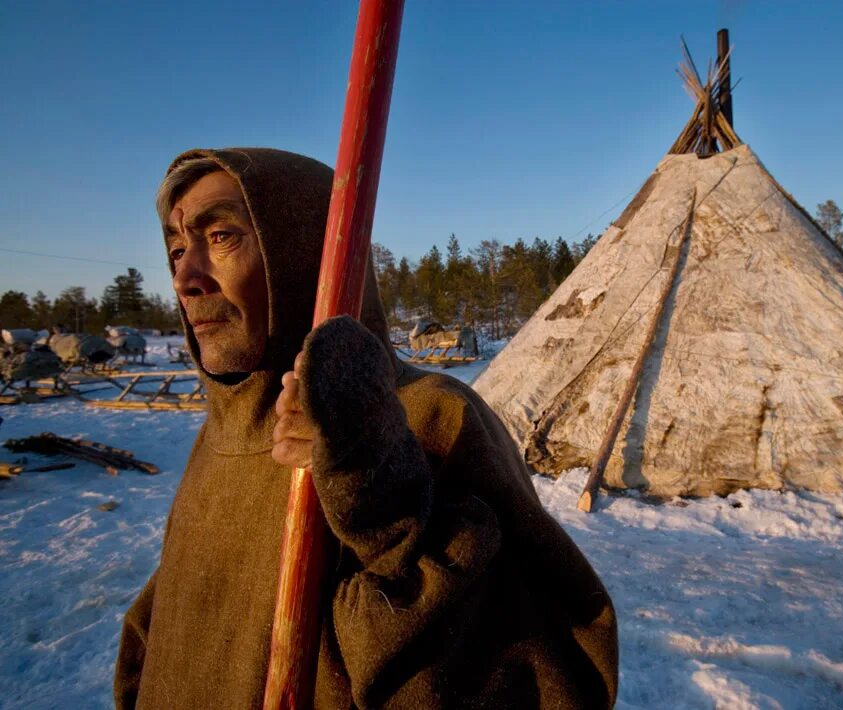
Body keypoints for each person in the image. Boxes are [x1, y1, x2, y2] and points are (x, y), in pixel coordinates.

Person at [113, 148, 618, 709]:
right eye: (176, 250)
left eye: (223, 236)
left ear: (304, 253)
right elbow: (171, 628)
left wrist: (388, 506)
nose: (185, 277)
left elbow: (547, 678)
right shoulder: (220, 438)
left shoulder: (433, 417)